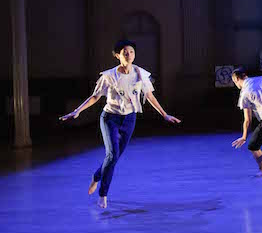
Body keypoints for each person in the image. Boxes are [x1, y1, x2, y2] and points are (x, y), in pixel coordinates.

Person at [60, 39, 181, 208]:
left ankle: (96, 176)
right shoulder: (109, 76)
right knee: (111, 155)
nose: (129, 55)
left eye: (131, 52)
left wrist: (164, 114)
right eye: (125, 52)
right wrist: (77, 111)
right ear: (118, 55)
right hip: (110, 118)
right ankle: (103, 194)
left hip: (130, 118)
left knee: (114, 157)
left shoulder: (140, 73)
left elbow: (150, 96)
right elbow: (95, 96)